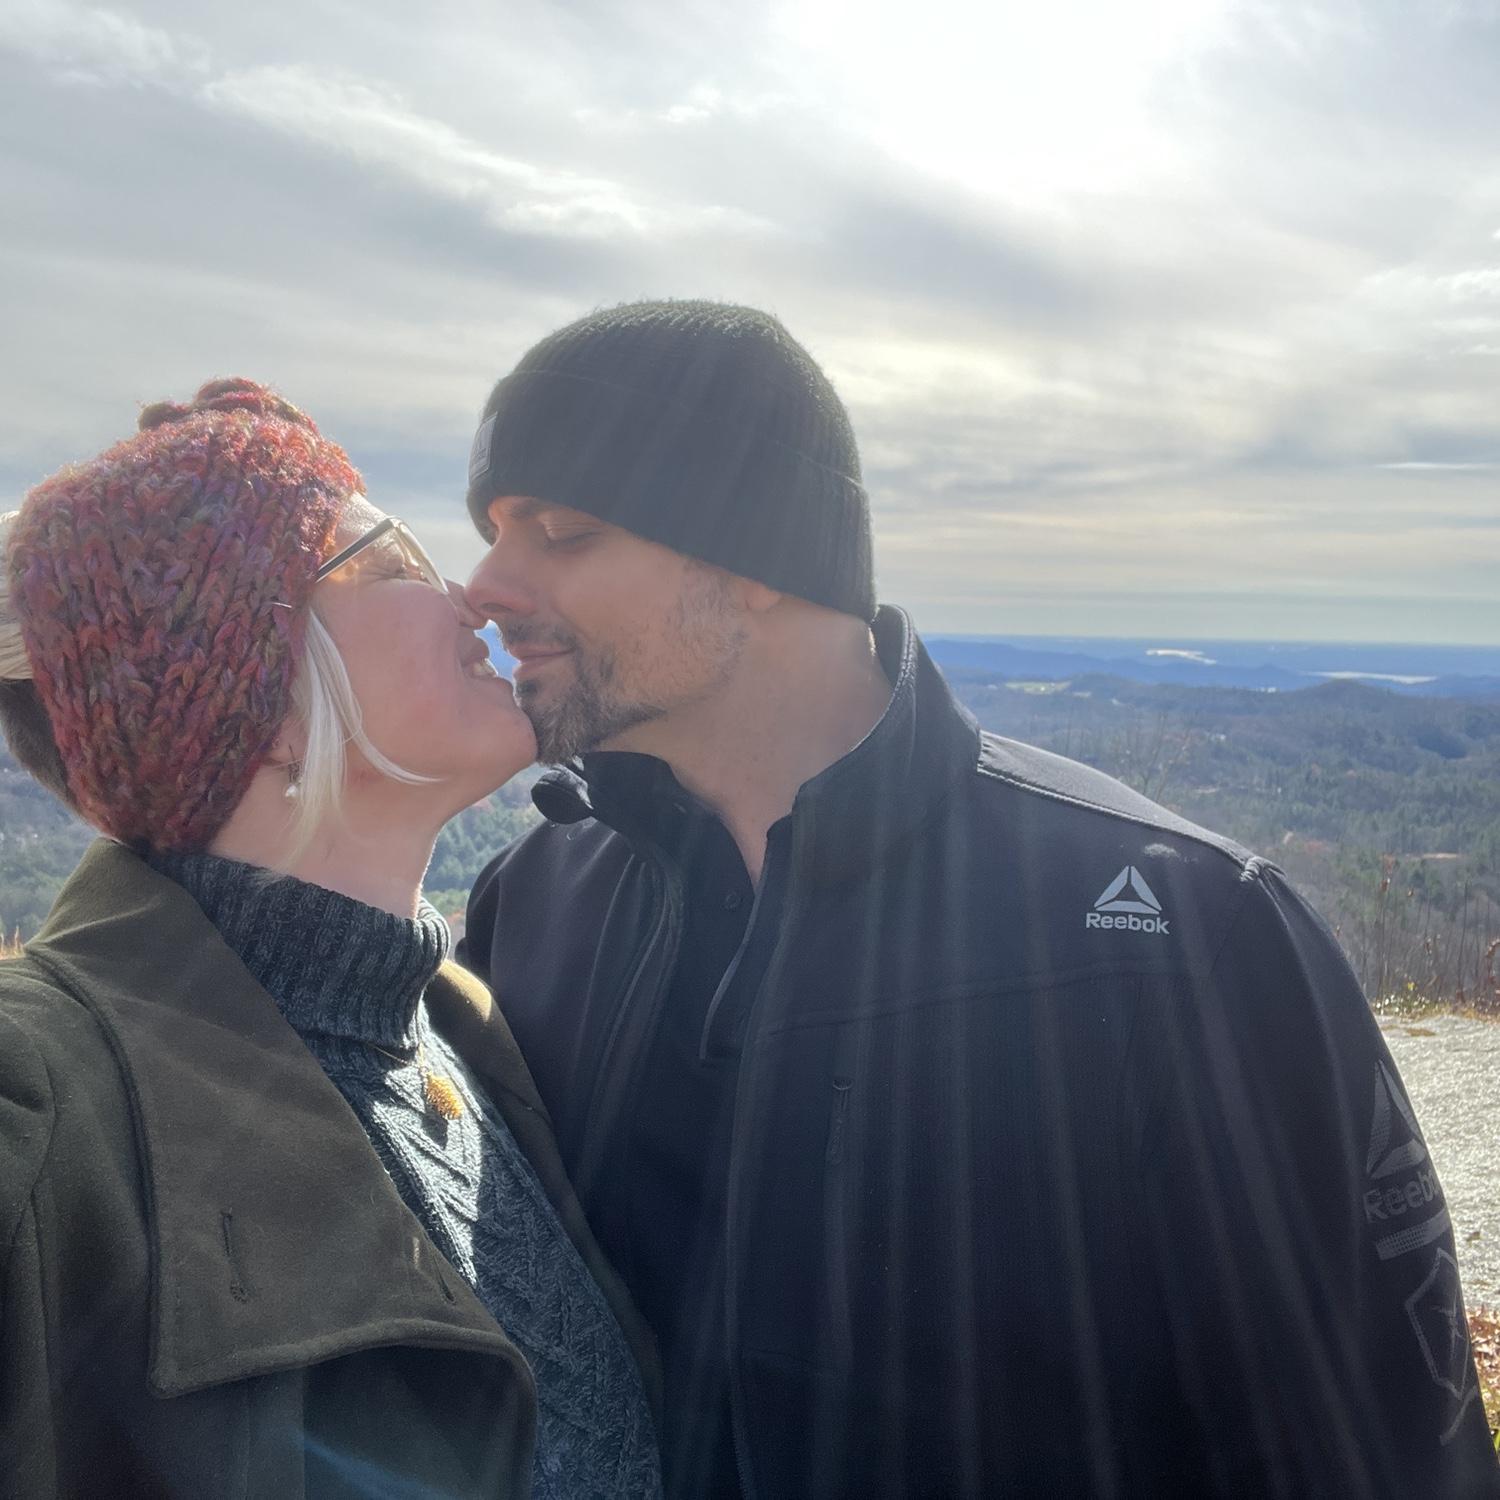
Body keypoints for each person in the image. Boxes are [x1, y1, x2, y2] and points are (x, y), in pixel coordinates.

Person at [457, 301, 1499, 1499]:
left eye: (565, 532)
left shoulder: (1182, 936)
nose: (486, 585)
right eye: (493, 531)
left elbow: (1375, 1453)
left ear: (752, 554)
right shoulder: (533, 907)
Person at [0, 380, 662, 1499]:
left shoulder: (457, 1028)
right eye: (393, 560)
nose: (470, 599)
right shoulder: (35, 1104)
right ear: (261, 701)